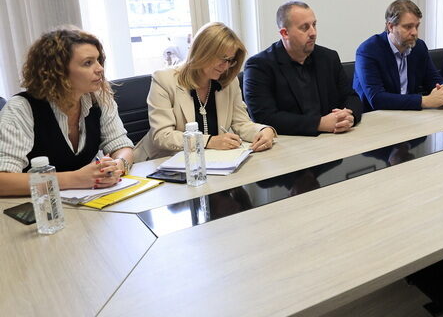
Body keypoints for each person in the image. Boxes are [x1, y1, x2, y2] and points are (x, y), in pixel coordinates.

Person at [0, 27, 134, 196]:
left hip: (87, 200)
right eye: (88, 63)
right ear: (58, 71)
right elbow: (2, 181)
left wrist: (117, 166)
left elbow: (122, 146)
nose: (100, 68)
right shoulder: (21, 108)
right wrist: (75, 179)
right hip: (38, 205)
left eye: (98, 60)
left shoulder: (98, 97)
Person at [135, 22, 275, 161]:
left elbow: (241, 123)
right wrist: (209, 141)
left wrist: (264, 130)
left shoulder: (229, 82)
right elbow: (162, 136)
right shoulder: (164, 80)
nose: (225, 66)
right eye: (222, 58)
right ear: (202, 52)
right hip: (162, 161)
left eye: (230, 60)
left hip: (208, 162)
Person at [243, 1, 362, 136]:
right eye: (305, 27)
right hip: (290, 143)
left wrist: (349, 116)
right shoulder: (259, 66)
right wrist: (319, 124)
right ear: (285, 33)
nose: (313, 32)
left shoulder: (328, 57)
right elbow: (264, 117)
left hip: (333, 137)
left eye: (314, 25)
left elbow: (351, 97)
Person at [353, 0, 443, 111]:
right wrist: (425, 101)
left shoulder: (419, 47)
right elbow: (377, 99)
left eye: (417, 26)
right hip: (375, 116)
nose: (415, 32)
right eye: (408, 27)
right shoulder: (368, 50)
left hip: (409, 114)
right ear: (390, 26)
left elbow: (434, 80)